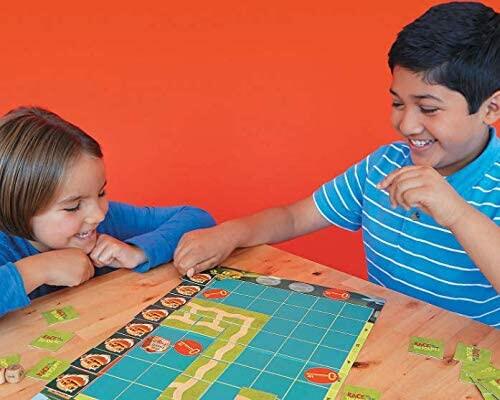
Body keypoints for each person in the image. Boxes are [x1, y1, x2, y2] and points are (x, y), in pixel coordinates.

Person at [173, 2, 500, 327]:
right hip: (387, 340)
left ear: (490, 109)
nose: (406, 124)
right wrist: (229, 233)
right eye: (398, 103)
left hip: (467, 354)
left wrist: (457, 214)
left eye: (428, 109)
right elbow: (294, 217)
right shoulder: (382, 165)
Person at [0, 106, 215, 316]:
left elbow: (197, 218)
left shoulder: (106, 220)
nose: (98, 215)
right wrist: (38, 270)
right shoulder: (5, 247)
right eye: (73, 206)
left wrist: (137, 252)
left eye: (101, 193)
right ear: (16, 207)